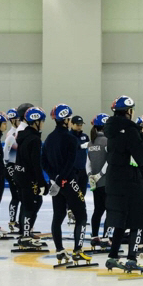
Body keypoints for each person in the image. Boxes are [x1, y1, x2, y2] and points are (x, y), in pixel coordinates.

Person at [103, 95, 143, 272]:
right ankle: (131, 259)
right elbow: (142, 157)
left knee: (120, 218)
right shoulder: (130, 129)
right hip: (129, 179)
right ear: (129, 111)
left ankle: (112, 257)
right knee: (138, 218)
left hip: (113, 179)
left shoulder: (109, 129)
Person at [42, 104, 92, 264]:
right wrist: (61, 179)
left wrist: (53, 179)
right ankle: (77, 251)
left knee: (58, 216)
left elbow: (43, 161)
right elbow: (70, 162)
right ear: (66, 120)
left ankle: (60, 251)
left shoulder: (49, 138)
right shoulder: (71, 139)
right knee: (82, 216)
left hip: (56, 184)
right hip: (69, 181)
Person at [13, 107, 49, 249]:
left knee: (27, 204)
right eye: (42, 121)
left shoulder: (22, 135)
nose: (43, 124)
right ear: (36, 122)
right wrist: (42, 182)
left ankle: (25, 233)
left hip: (19, 175)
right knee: (31, 206)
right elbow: (35, 163)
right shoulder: (34, 139)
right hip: (28, 178)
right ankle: (26, 236)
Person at [87, 113, 110, 248]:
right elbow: (109, 161)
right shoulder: (107, 141)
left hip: (95, 184)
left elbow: (87, 163)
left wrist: (91, 176)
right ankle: (106, 238)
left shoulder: (91, 142)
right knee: (110, 210)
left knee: (97, 210)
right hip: (106, 181)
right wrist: (100, 174)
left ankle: (95, 237)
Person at [66, 115, 90, 225]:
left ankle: (79, 212)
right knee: (73, 192)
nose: (80, 127)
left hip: (83, 169)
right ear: (72, 124)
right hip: (72, 169)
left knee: (82, 192)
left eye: (81, 125)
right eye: (77, 125)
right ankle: (70, 210)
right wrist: (80, 146)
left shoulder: (85, 136)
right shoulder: (68, 136)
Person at [3, 108, 21, 232]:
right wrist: (9, 169)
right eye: (18, 119)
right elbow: (6, 154)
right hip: (11, 166)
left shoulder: (17, 132)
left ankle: (16, 220)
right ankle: (12, 221)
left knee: (19, 195)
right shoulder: (11, 134)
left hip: (15, 166)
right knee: (16, 196)